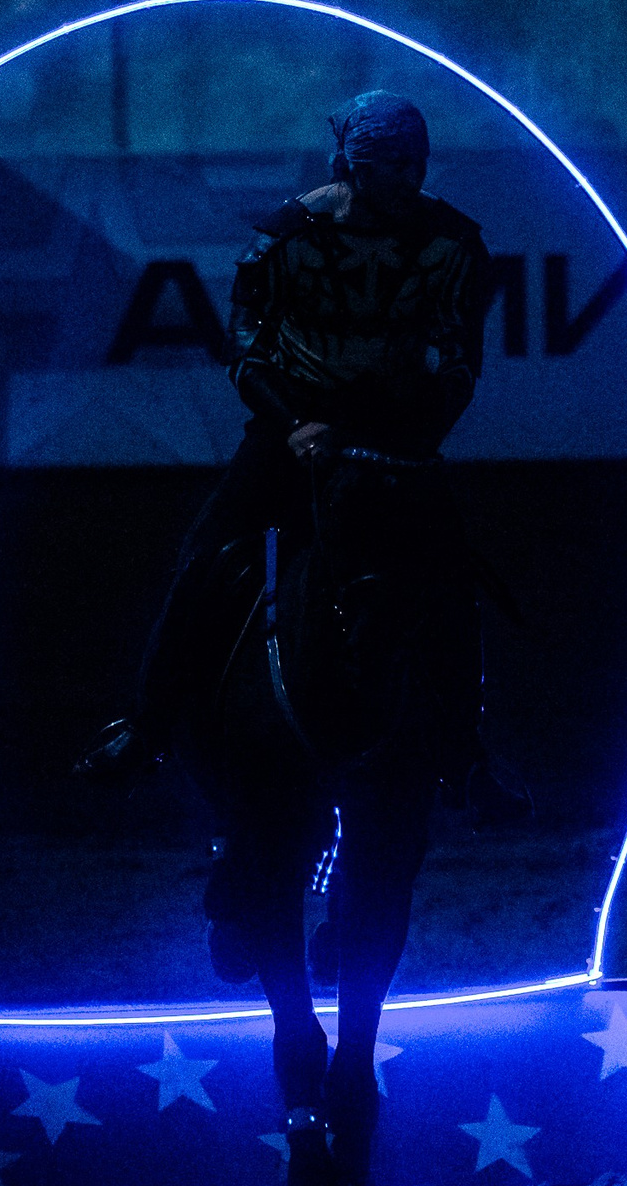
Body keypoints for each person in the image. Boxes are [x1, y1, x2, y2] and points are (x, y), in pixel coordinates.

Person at [74, 90, 500, 794]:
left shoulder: (454, 243)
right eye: (395, 163)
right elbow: (244, 342)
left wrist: (420, 431)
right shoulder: (286, 235)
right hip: (289, 429)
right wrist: (291, 420)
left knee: (453, 578)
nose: (412, 177)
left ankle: (463, 748)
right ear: (355, 164)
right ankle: (148, 727)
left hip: (396, 436)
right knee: (205, 558)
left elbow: (459, 357)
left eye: (418, 162)